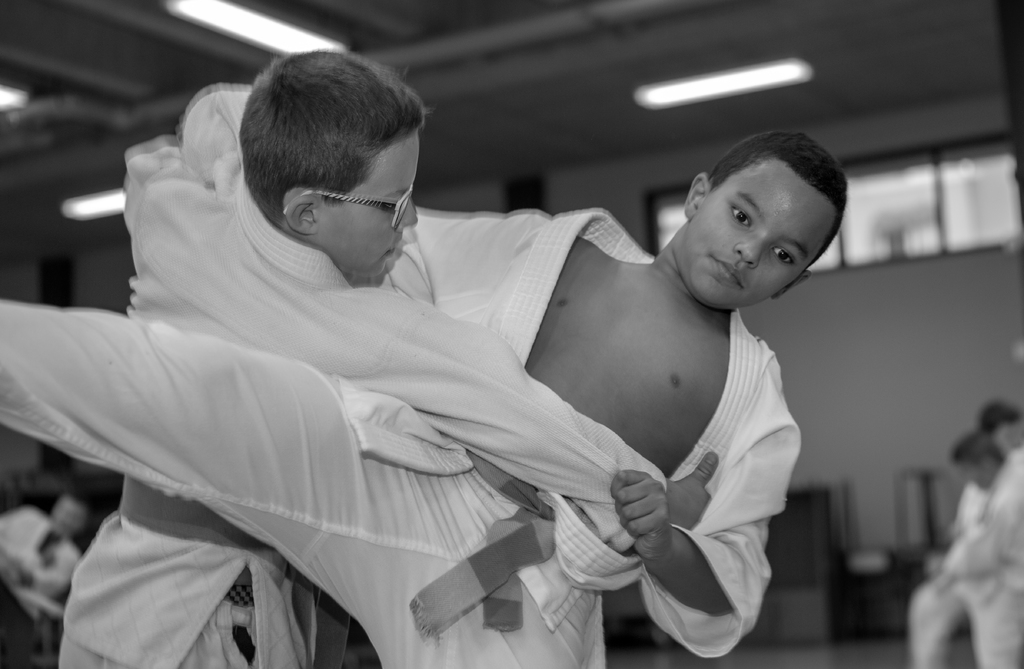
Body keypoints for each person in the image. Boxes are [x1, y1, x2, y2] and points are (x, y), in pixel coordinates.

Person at [0, 126, 844, 668]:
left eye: (784, 253)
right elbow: (390, 250)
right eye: (742, 215)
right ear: (698, 195)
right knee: (190, 391)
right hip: (410, 469)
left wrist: (663, 544)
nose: (750, 251)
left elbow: (727, 593)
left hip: (520, 589)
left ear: (796, 279)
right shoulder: (551, 244)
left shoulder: (752, 403)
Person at [907, 401, 1023, 669]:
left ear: (986, 464)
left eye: (1017, 432)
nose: (1014, 440)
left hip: (1001, 581)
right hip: (970, 574)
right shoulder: (981, 483)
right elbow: (968, 531)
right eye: (1007, 434)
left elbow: (984, 548)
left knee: (997, 659)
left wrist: (948, 567)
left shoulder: (1012, 487)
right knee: (926, 606)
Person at [0, 491, 89, 668]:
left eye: (74, 517)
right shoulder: (29, 516)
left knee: (18, 659)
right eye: (65, 511)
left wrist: (23, 573)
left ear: (81, 524)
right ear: (55, 508)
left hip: (24, 602)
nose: (66, 519)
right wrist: (7, 559)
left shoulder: (72, 556)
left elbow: (50, 585)